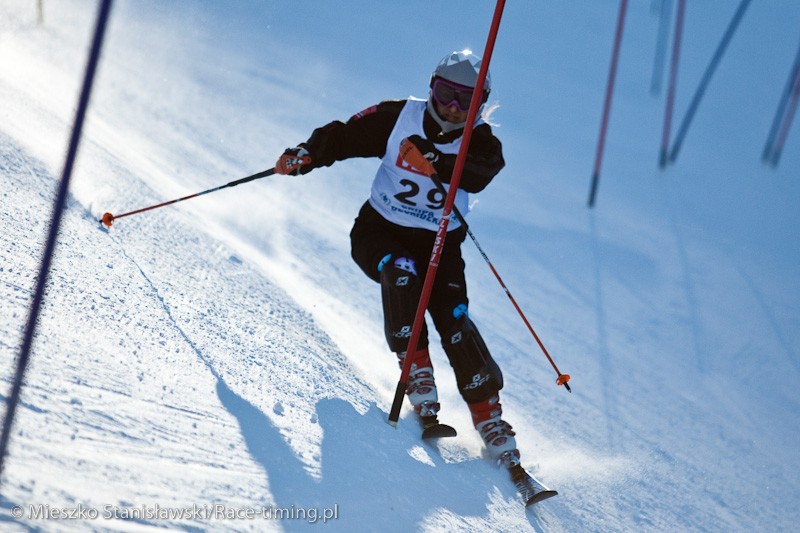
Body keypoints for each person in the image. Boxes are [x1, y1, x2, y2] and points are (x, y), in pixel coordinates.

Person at [274, 50, 522, 469]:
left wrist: (438, 161)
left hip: (440, 247)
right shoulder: (399, 117)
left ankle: (489, 415)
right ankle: (417, 368)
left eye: (466, 100)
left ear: (481, 104)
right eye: (445, 94)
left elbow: (480, 172)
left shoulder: (481, 142)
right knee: (401, 273)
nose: (453, 107)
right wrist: (308, 154)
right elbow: (345, 136)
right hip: (379, 232)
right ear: (431, 87)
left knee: (455, 320)